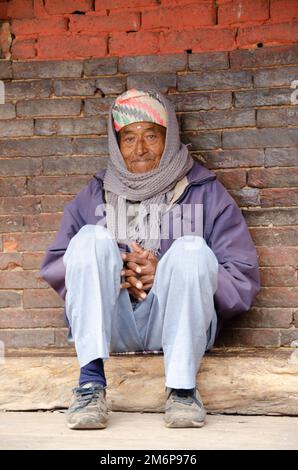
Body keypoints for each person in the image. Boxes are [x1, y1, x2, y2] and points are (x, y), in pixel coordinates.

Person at [39, 88, 260, 430]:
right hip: (112, 325)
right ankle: (90, 383)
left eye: (151, 136)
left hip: (179, 324)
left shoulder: (205, 191)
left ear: (169, 138)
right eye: (128, 138)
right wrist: (114, 270)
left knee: (191, 250)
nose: (139, 149)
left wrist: (167, 273)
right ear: (116, 143)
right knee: (89, 240)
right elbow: (59, 264)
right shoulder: (95, 192)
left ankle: (183, 391)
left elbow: (241, 276)